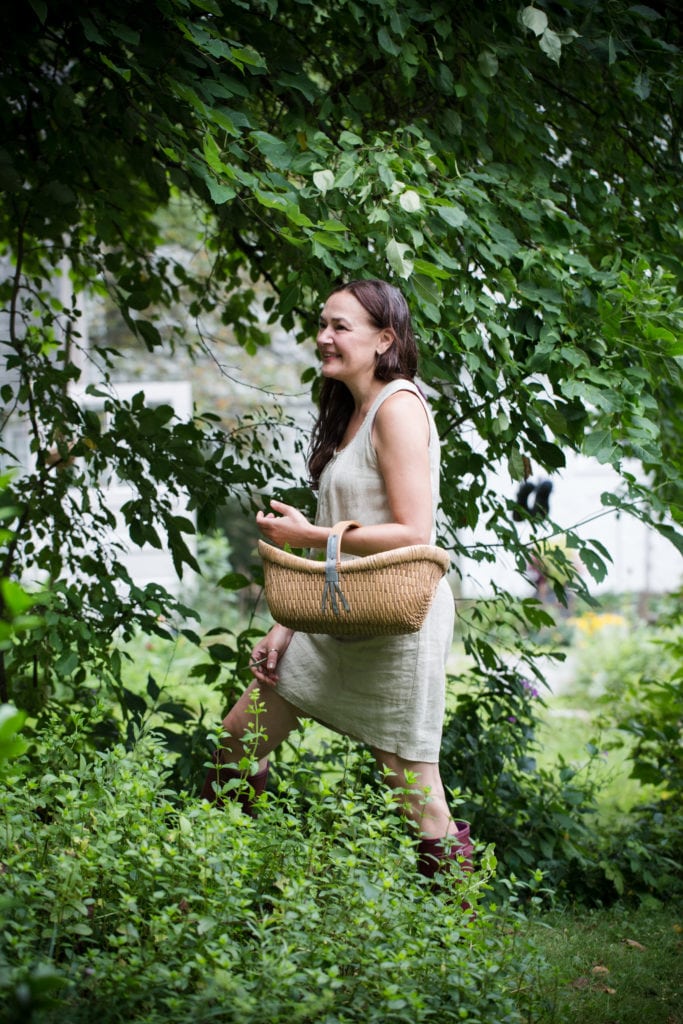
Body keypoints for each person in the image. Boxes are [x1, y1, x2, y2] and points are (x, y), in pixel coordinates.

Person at [201, 278, 473, 881]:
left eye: (340, 326)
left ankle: (463, 927)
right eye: (321, 324)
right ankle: (219, 884)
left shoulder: (399, 405)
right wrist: (283, 627)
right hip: (336, 614)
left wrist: (309, 537)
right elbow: (337, 532)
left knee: (414, 789)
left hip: (396, 619)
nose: (324, 337)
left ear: (385, 339)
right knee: (235, 744)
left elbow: (413, 532)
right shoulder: (350, 413)